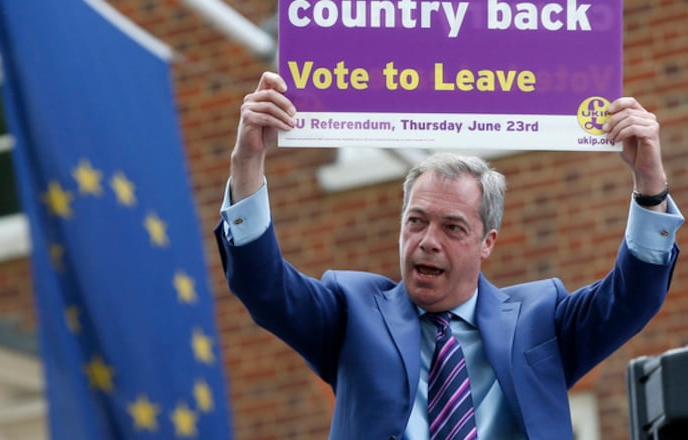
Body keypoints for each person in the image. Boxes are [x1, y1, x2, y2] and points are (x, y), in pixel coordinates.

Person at [214, 71, 683, 439]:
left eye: (452, 227)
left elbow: (633, 298)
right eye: (416, 221)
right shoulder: (349, 309)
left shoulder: (543, 317)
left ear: (487, 242)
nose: (428, 241)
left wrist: (649, 185)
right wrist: (246, 162)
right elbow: (263, 285)